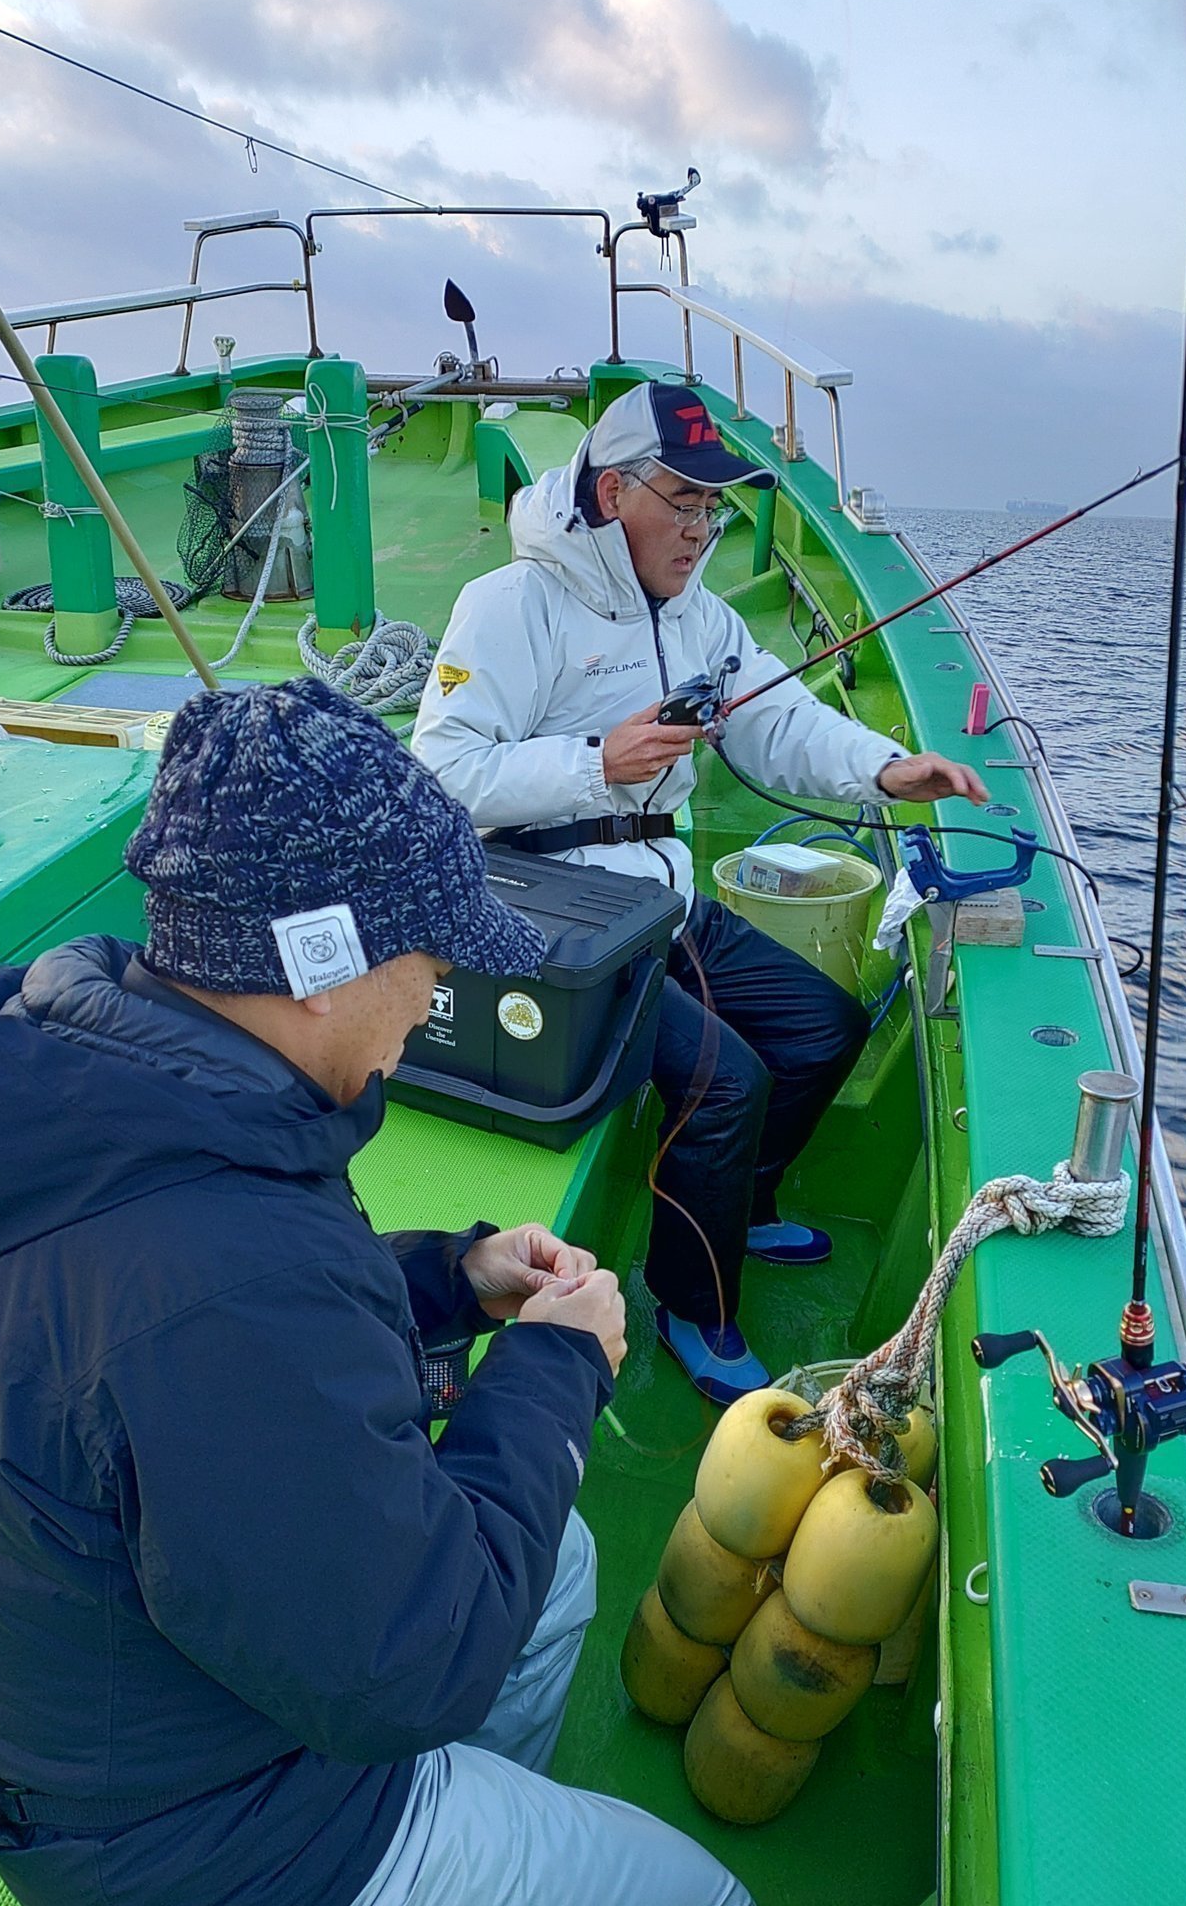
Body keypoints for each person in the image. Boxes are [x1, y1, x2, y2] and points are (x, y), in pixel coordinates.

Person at [0, 679, 760, 1906]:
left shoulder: (92, 1077)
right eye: (429, 964)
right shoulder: (209, 1280)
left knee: (558, 1556)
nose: (432, 998)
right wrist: (556, 1364)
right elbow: (411, 1666)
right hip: (196, 1858)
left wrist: (452, 1278)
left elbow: (217, 1348)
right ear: (325, 968)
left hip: (114, 1719)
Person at [412, 381, 987, 1402]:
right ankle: (690, 1302)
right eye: (682, 502)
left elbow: (778, 721)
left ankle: (740, 1205)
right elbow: (442, 772)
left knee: (823, 1027)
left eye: (712, 507)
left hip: (658, 901)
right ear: (610, 493)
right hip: (550, 913)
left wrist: (886, 768)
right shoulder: (508, 604)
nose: (699, 528)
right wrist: (596, 763)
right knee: (726, 1081)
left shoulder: (702, 617)